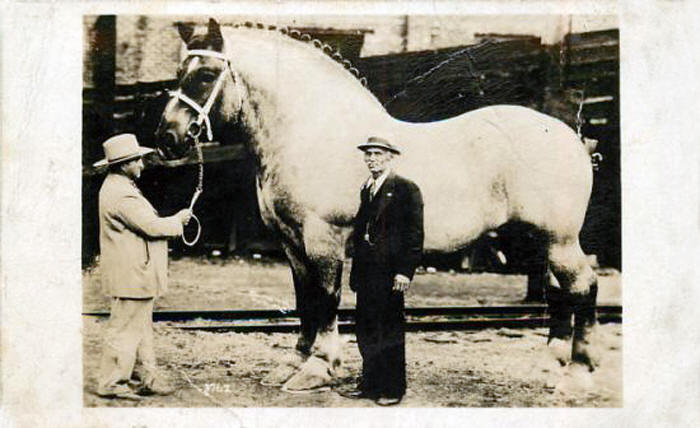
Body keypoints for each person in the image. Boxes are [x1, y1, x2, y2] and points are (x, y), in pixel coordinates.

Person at [93, 133, 192, 400]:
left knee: (139, 328)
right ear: (124, 164)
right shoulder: (122, 194)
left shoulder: (119, 187)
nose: (142, 165)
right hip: (132, 273)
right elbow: (152, 226)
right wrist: (179, 220)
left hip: (134, 273)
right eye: (137, 160)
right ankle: (112, 382)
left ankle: (146, 377)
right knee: (125, 329)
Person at [345, 136, 424, 406]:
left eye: (378, 154)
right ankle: (369, 384)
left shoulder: (405, 188)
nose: (372, 159)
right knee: (366, 327)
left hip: (390, 273)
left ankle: (391, 389)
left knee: (388, 328)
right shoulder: (367, 188)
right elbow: (361, 231)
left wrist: (405, 271)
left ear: (390, 157)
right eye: (368, 155)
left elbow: (414, 235)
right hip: (367, 272)